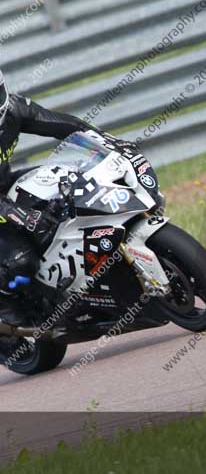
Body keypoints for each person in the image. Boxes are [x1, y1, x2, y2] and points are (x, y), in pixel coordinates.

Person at [0, 69, 129, 325]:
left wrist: (106, 142)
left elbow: (65, 125)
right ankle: (7, 310)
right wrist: (19, 216)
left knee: (67, 184)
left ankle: (82, 281)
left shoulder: (13, 109)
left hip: (4, 182)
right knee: (20, 262)